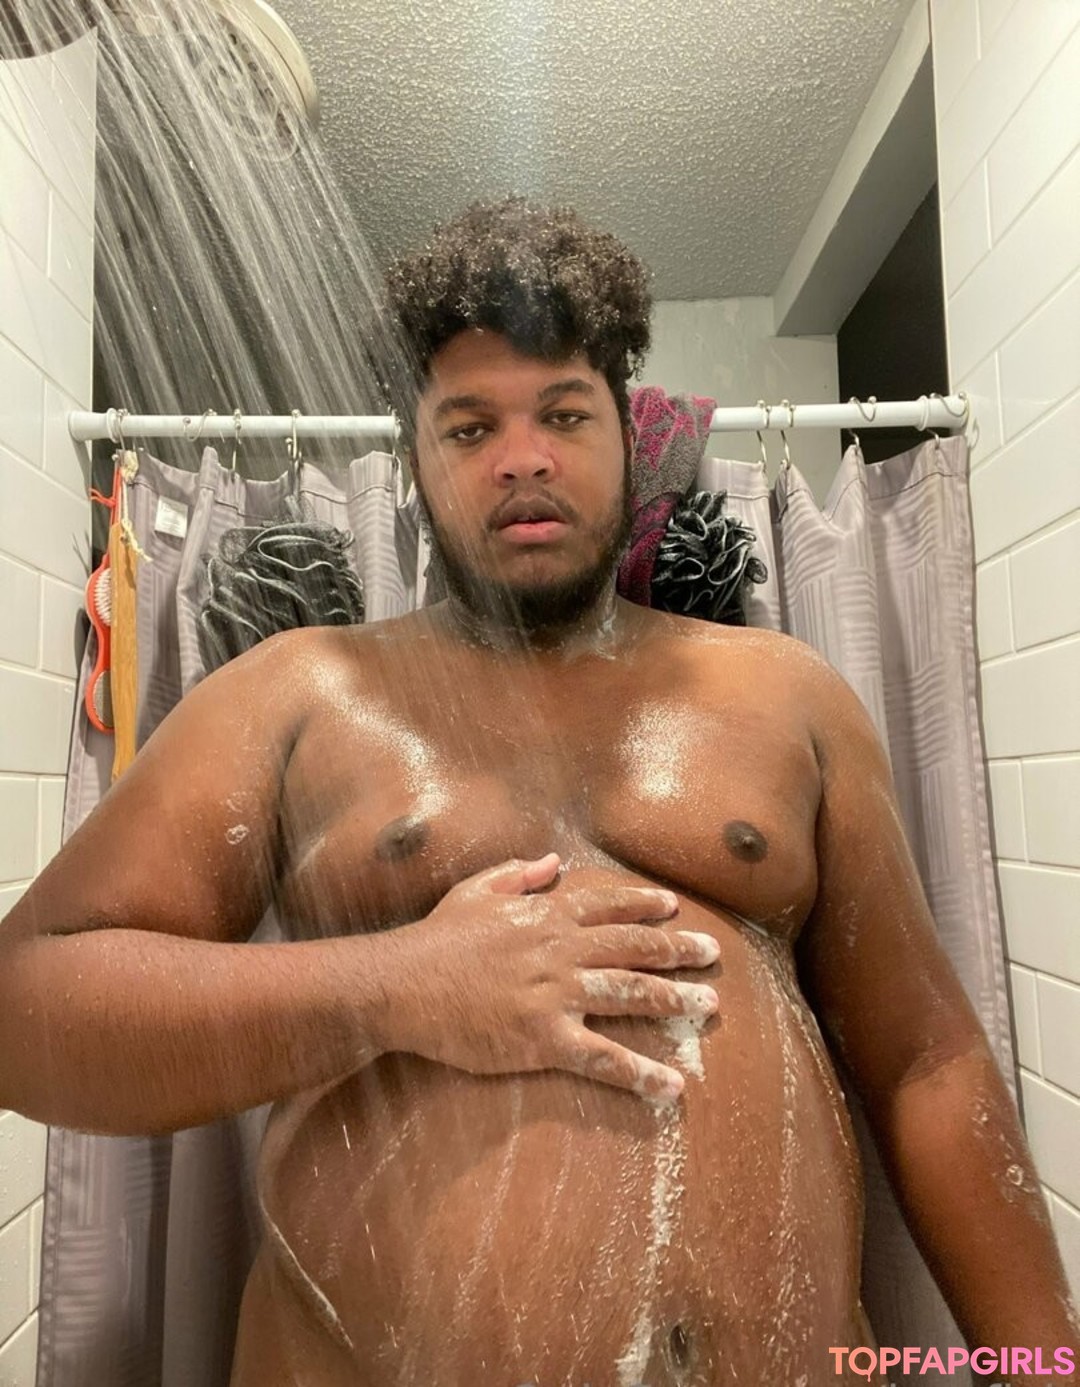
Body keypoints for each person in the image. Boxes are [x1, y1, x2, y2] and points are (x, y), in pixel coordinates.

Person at [0, 198, 1075, 1387]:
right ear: (413, 466)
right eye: (469, 427)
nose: (522, 457)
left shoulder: (788, 695)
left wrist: (1043, 1365)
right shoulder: (298, 695)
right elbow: (24, 1007)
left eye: (564, 413)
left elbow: (926, 1063)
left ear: (628, 437)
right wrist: (399, 987)